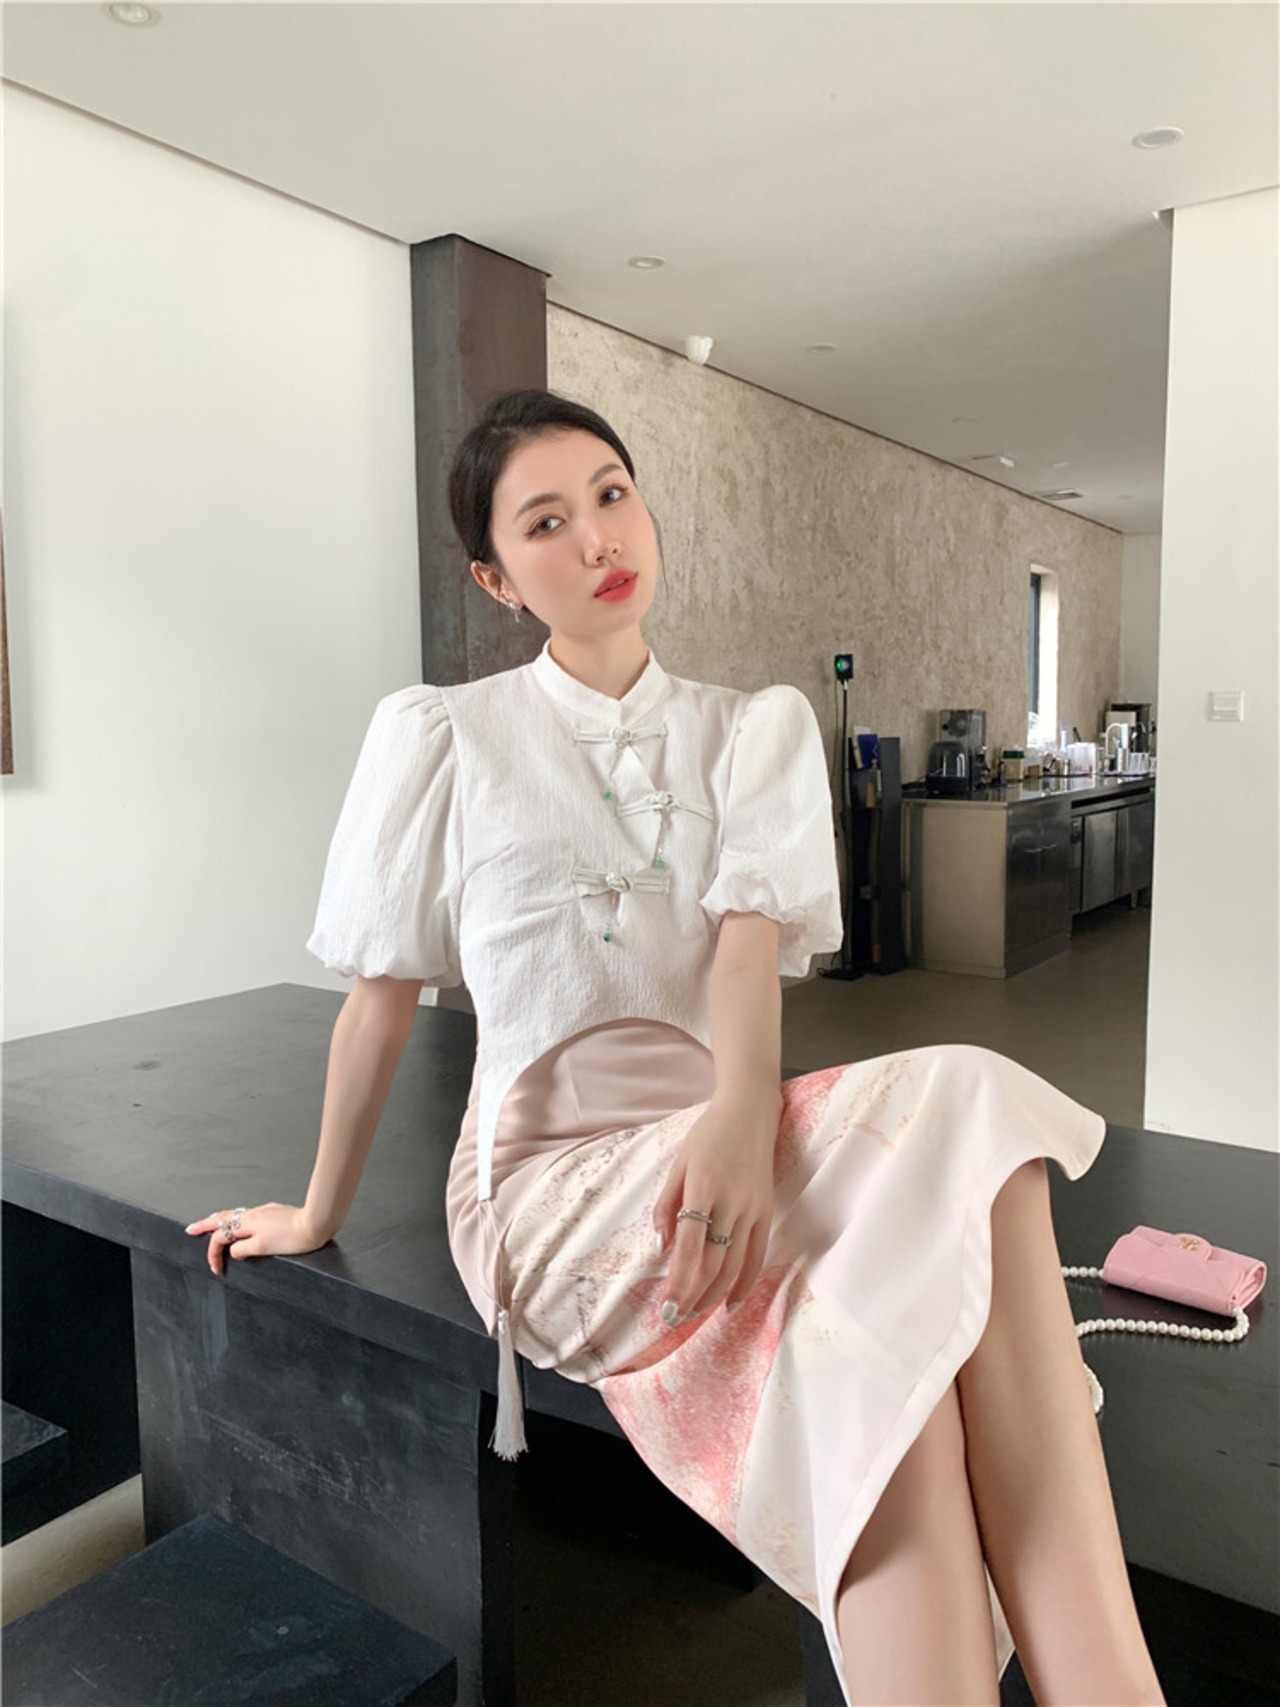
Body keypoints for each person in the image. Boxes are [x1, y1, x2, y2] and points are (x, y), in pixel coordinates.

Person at [187, 389, 1165, 1706]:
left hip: (719, 1140)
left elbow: (747, 953)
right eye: (546, 521)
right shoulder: (444, 738)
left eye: (612, 493)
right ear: (495, 576)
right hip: (542, 1185)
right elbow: (382, 998)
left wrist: (741, 1127)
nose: (598, 536)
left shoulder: (749, 729)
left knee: (943, 1240)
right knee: (945, 1186)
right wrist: (316, 1211)